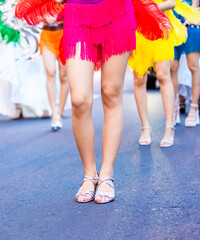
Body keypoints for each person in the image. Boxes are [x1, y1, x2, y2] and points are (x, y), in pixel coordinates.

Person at [15, 0, 172, 204]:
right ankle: (90, 173)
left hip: (117, 13)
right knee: (79, 99)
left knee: (111, 93)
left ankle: (106, 173)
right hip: (77, 13)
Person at [128, 0, 199, 147]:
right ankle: (145, 128)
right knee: (139, 78)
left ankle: (169, 127)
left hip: (159, 23)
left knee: (163, 75)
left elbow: (172, 2)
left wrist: (146, 10)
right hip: (136, 26)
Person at [170, 0, 200, 127]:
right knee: (172, 67)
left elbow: (195, 4)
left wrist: (186, 24)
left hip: (190, 24)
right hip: (172, 25)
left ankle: (194, 108)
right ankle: (174, 106)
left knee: (193, 66)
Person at [40, 18, 69, 131]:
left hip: (64, 34)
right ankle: (54, 114)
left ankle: (60, 113)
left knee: (64, 76)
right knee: (50, 72)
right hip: (47, 35)